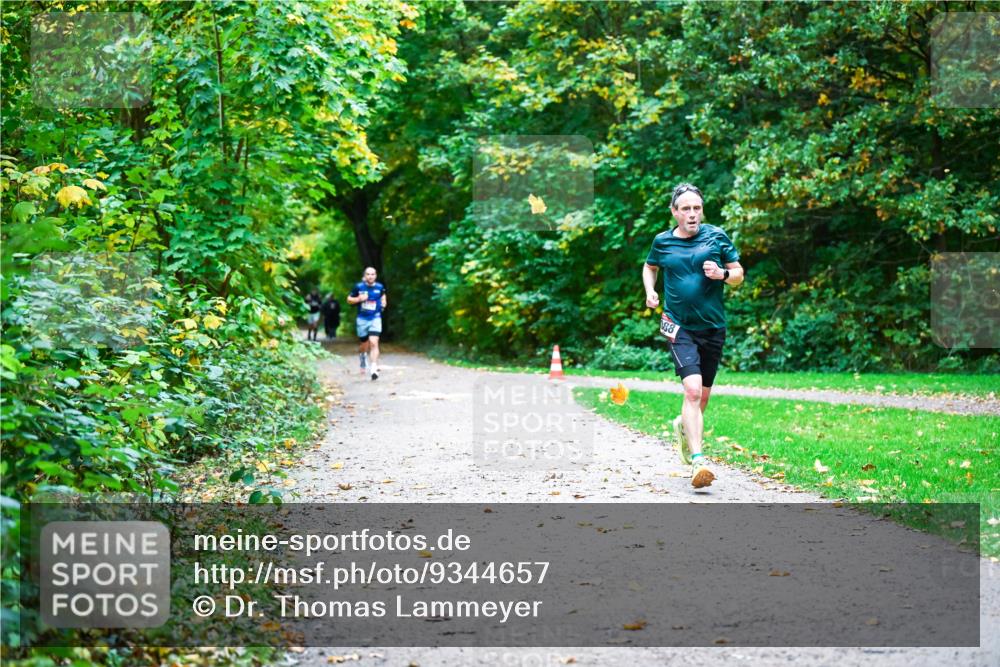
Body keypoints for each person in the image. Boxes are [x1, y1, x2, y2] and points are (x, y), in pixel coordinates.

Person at [641, 183, 744, 488]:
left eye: (696, 208)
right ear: (674, 212)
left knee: (704, 396)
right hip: (678, 325)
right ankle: (698, 460)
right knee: (693, 391)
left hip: (712, 327)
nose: (692, 214)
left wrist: (723, 275)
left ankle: (685, 427)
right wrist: (650, 291)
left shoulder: (716, 236)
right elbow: (650, 268)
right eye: (685, 208)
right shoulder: (662, 242)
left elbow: (738, 274)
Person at [347, 267, 387, 380]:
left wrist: (383, 303)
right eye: (368, 274)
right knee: (364, 344)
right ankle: (362, 357)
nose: (370, 276)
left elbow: (383, 296)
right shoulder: (359, 287)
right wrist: (359, 299)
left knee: (374, 342)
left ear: (376, 275)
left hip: (375, 317)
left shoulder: (379, 287)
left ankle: (373, 368)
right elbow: (349, 299)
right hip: (362, 319)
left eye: (373, 274)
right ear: (365, 276)